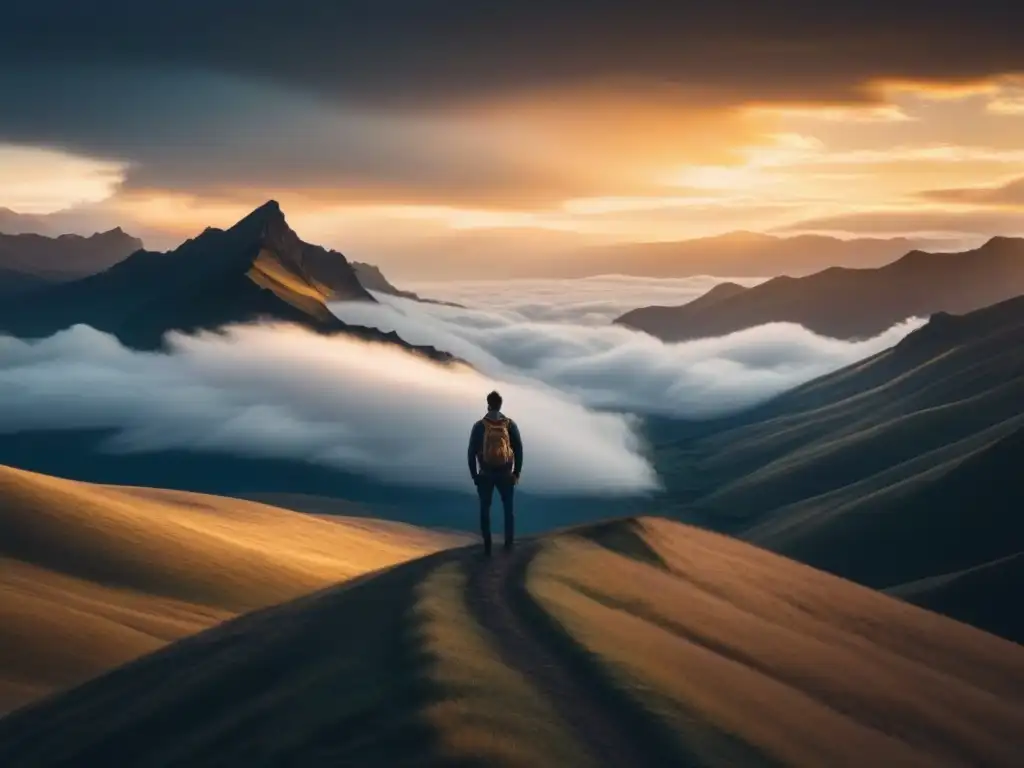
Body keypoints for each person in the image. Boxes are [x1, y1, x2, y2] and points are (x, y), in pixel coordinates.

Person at [467, 390, 523, 555]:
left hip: (485, 473)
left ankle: (487, 547)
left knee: (485, 509)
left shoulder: (479, 426)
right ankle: (509, 545)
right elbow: (518, 449)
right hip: (506, 473)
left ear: (488, 404)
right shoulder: (510, 425)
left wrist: (475, 476)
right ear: (501, 405)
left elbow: (471, 452)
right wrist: (516, 472)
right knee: (508, 509)